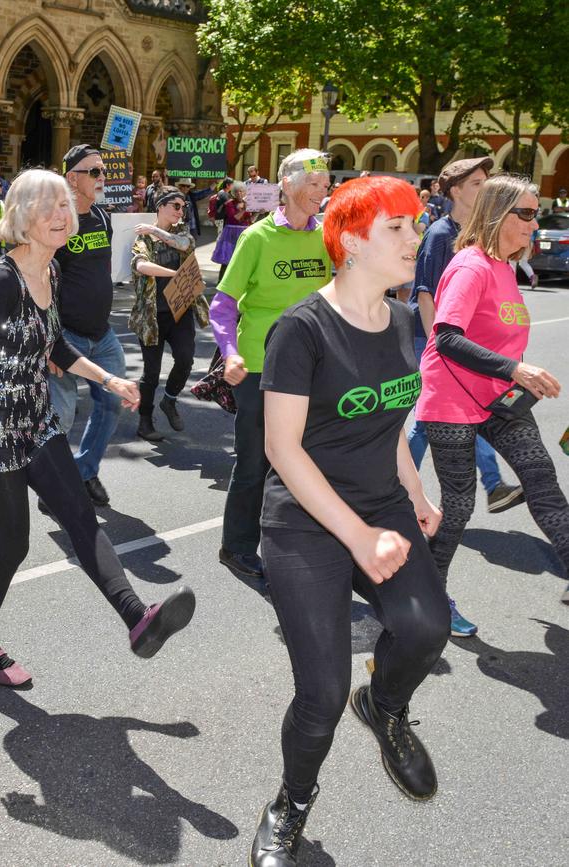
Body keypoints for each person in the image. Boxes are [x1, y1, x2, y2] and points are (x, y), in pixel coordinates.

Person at [249, 177, 450, 866]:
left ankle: (386, 707)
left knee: (427, 627)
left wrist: (414, 490)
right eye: (398, 228)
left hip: (383, 504)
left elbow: (386, 415)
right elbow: (283, 447)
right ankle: (289, 805)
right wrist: (357, 536)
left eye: (417, 226)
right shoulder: (301, 330)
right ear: (354, 238)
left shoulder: (401, 322)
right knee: (323, 692)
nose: (414, 239)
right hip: (306, 520)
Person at [0, 169, 195, 688]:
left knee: (82, 520)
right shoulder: (2, 280)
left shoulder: (51, 273)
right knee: (13, 546)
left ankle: (137, 619)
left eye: (67, 206)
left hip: (37, 420)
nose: (65, 215)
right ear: (23, 216)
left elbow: (54, 344)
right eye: (51, 207)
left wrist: (109, 378)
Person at [417, 174, 569, 623]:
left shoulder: (504, 267)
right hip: (452, 399)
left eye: (535, 212)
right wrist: (516, 369)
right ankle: (428, 597)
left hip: (500, 401)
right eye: (524, 213)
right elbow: (446, 338)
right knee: (460, 505)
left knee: (542, 479)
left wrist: (515, 375)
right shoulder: (471, 265)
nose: (532, 222)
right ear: (498, 214)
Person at [406, 157, 523, 637]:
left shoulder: (476, 236)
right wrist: (443, 351)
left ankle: (393, 489)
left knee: (433, 425)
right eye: (477, 182)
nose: (485, 187)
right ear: (455, 189)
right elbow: (426, 294)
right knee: (427, 423)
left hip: (462, 356)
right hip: (440, 347)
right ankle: (394, 491)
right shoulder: (440, 234)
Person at [209, 148, 332, 579]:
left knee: (309, 458)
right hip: (260, 367)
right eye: (314, 182)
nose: (323, 189)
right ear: (288, 185)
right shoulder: (256, 238)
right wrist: (231, 353)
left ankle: (297, 540)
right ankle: (237, 546)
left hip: (314, 368)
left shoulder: (326, 236)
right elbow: (222, 305)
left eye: (325, 182)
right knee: (255, 462)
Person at [47, 144, 124, 509]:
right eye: (94, 172)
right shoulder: (57, 220)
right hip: (66, 337)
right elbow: (39, 282)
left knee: (111, 404)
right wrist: (49, 342)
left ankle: (85, 472)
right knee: (60, 416)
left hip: (103, 336)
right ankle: (55, 484)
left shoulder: (104, 218)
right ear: (72, 178)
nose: (102, 178)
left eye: (103, 171)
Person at [130, 185, 209, 441]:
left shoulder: (180, 233)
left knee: (186, 358)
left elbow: (185, 244)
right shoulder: (142, 239)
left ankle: (170, 400)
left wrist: (154, 229)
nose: (180, 210)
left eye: (183, 206)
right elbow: (141, 265)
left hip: (179, 310)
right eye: (175, 205)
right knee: (151, 373)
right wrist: (174, 274)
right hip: (152, 315)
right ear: (160, 206)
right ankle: (145, 420)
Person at [210, 181, 253, 281]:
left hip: (244, 233)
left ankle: (238, 283)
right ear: (233, 192)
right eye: (237, 191)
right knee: (227, 261)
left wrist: (259, 212)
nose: (239, 193)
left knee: (242, 260)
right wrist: (244, 209)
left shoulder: (247, 203)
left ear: (245, 192)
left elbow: (250, 220)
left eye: (241, 191)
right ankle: (221, 283)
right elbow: (234, 218)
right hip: (231, 234)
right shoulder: (230, 203)